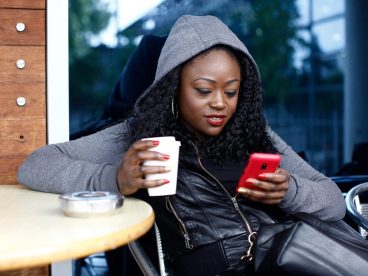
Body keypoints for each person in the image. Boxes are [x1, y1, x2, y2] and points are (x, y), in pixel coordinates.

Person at [18, 15, 346, 275]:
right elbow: (36, 165)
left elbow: (335, 203)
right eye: (204, 90)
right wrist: (116, 180)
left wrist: (291, 191)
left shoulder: (258, 134)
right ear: (173, 88)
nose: (220, 103)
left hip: (288, 258)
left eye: (231, 92)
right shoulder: (138, 137)